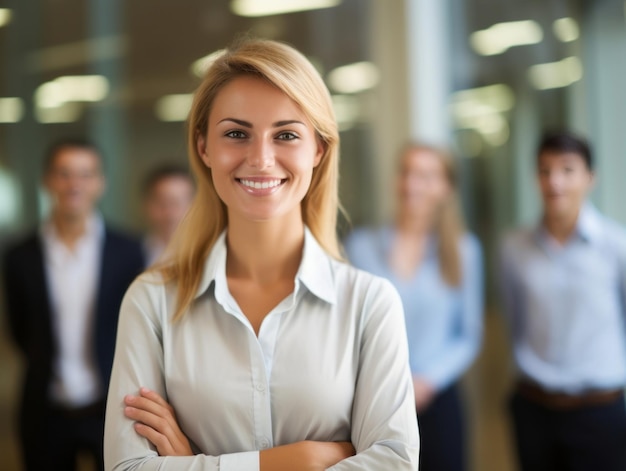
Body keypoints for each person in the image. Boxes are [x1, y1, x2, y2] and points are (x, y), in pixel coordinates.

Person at [103, 38, 419, 470]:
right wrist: (300, 459)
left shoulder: (369, 304)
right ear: (204, 148)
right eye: (236, 134)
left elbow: (395, 463)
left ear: (318, 150)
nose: (261, 159)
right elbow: (127, 467)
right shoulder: (152, 300)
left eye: (286, 135)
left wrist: (196, 463)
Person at [2, 138, 145, 471]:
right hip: (44, 410)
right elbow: (19, 331)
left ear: (100, 183)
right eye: (64, 174)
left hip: (114, 407)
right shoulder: (19, 256)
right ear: (47, 180)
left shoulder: (128, 251)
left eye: (85, 174)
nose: (74, 184)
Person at [344, 143, 483, 471]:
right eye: (406, 172)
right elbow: (350, 329)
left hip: (437, 401)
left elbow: (468, 335)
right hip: (376, 402)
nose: (411, 184)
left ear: (446, 187)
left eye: (424, 175)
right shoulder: (361, 247)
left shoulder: (464, 251)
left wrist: (427, 380)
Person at [499, 130, 626, 471]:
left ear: (590, 177)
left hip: (600, 411)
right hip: (534, 409)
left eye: (567, 170)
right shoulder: (514, 248)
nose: (555, 182)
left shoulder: (616, 246)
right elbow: (515, 321)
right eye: (545, 170)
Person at [141, 164, 195, 266]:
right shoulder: (130, 253)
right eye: (163, 203)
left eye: (178, 203)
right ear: (147, 205)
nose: (170, 213)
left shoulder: (210, 254)